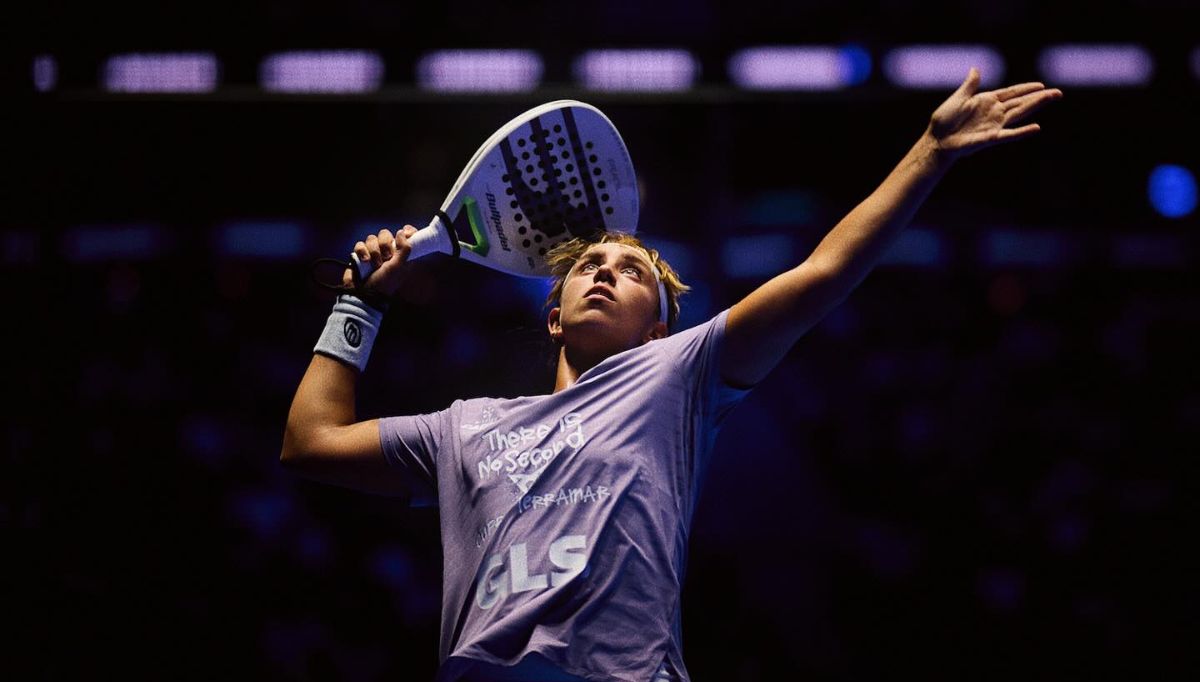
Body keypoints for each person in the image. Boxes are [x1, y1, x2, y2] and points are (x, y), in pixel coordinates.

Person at [281, 68, 1063, 681]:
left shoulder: (675, 377)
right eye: (590, 263)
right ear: (554, 316)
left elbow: (824, 272)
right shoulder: (464, 429)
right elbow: (311, 443)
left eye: (629, 272)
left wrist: (927, 153)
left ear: (659, 327)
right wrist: (360, 306)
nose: (602, 272)